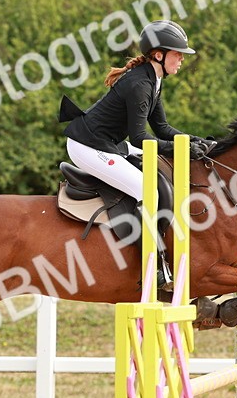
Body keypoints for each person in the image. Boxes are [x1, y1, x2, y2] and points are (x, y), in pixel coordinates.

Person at [58, 20, 216, 290]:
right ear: (159, 54)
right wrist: (183, 149)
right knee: (148, 192)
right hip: (88, 146)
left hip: (110, 142)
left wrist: (195, 140)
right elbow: (141, 138)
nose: (181, 60)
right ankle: (153, 268)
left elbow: (162, 128)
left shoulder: (153, 79)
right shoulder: (139, 84)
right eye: (177, 54)